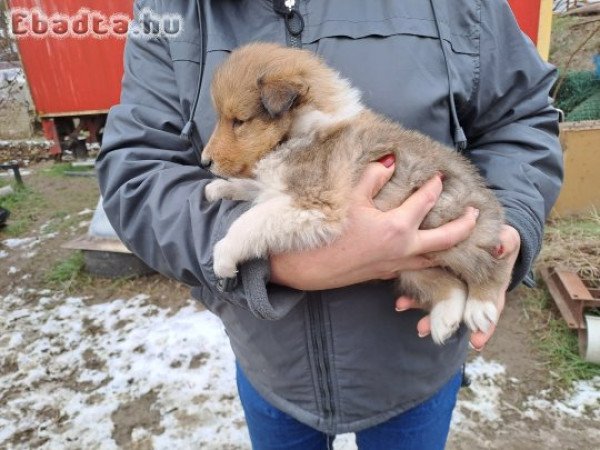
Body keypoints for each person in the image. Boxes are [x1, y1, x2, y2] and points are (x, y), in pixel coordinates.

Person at [96, 1, 563, 448]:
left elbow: (521, 119)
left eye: (236, 122)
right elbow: (137, 170)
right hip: (270, 364)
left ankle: (445, 288)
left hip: (412, 369)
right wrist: (266, 260)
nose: (213, 148)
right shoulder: (171, 9)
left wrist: (503, 237)